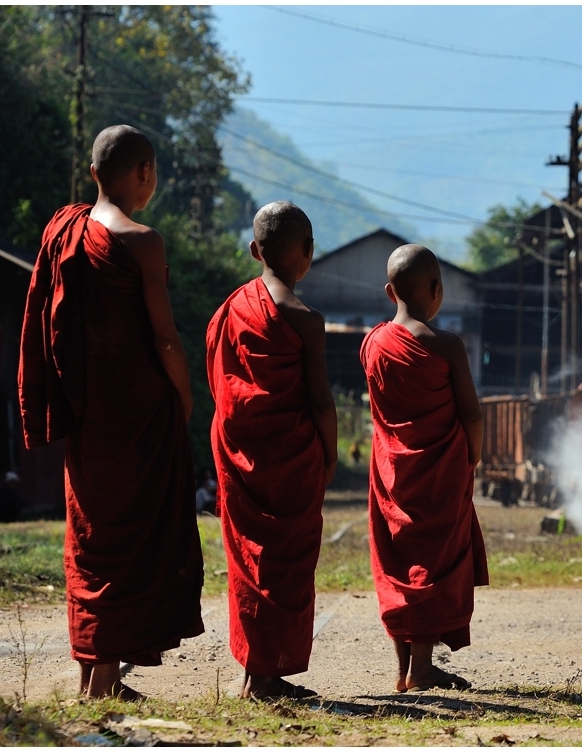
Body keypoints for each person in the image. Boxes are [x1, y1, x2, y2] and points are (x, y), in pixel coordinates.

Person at [18, 124, 204, 699]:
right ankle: (104, 679)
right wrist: (185, 395)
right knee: (135, 538)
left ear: (94, 173)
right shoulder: (141, 242)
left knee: (92, 536)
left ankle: (90, 673)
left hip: (89, 412)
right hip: (140, 415)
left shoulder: (63, 231)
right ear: (145, 173)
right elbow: (166, 338)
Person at [206, 201, 338, 700]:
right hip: (291, 457)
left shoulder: (229, 309)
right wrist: (328, 455)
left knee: (249, 560)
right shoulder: (305, 319)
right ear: (307, 253)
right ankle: (263, 676)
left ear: (253, 250)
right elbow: (321, 400)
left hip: (239, 449)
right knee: (283, 562)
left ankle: (256, 670)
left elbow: (222, 384)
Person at [360, 244, 489, 693]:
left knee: (398, 561)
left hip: (390, 471)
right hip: (439, 472)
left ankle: (402, 669)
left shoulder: (373, 343)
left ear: (389, 291)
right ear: (437, 290)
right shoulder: (446, 345)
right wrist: (472, 456)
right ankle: (422, 668)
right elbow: (472, 415)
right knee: (432, 563)